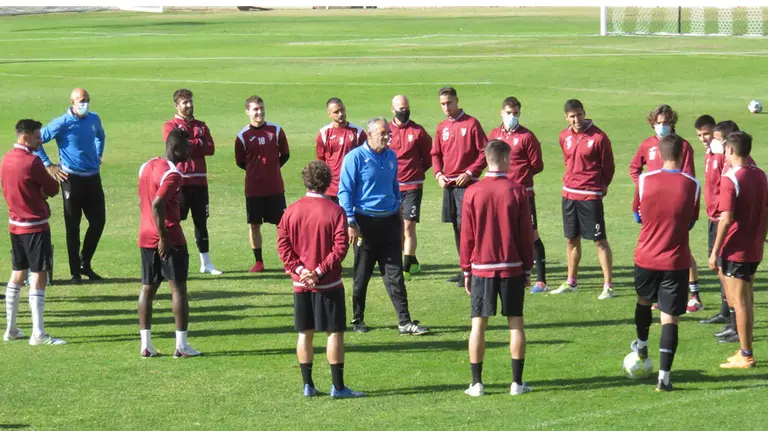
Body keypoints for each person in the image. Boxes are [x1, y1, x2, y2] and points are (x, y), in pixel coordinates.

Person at [277, 160, 364, 399]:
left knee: (305, 333)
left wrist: (300, 270)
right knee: (334, 333)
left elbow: (283, 247)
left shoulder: (291, 211)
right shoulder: (336, 212)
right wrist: (319, 271)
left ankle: (308, 385)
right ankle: (338, 387)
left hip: (301, 284)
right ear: (327, 183)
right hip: (329, 283)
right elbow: (339, 248)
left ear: (306, 181)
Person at [338, 117, 429, 335]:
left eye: (388, 133)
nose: (387, 137)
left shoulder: (391, 156)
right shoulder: (355, 158)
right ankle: (357, 318)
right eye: (382, 133)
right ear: (369, 136)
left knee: (395, 274)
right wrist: (350, 221)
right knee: (362, 274)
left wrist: (398, 209)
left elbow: (394, 185)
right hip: (365, 224)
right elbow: (345, 192)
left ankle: (404, 321)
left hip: (389, 222)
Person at [461, 139, 534, 397]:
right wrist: (527, 268)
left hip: (481, 267)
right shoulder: (517, 190)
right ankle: (516, 383)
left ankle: (477, 383)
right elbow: (526, 235)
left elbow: (466, 236)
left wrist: (466, 270)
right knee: (516, 324)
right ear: (505, 160)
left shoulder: (472, 192)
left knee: (478, 326)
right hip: (511, 267)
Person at [629, 134, 700, 392]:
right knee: (670, 319)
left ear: (658, 153)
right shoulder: (692, 184)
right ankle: (664, 379)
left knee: (643, 302)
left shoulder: (645, 180)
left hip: (645, 256)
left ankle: (642, 344)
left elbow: (637, 215)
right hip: (675, 260)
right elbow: (692, 221)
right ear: (682, 154)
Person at [628, 104, 701, 312]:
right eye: (659, 123)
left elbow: (688, 178)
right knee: (659, 247)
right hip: (653, 205)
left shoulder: (683, 146)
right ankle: (661, 296)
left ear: (672, 123)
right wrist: (644, 191)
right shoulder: (647, 145)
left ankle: (694, 294)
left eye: (666, 123)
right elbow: (635, 169)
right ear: (653, 123)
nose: (662, 126)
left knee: (680, 249)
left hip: (675, 204)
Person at [137, 128, 200, 359]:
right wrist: (163, 237)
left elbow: (143, 201)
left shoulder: (145, 166)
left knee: (147, 288)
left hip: (144, 235)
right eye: (186, 147)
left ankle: (146, 345)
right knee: (179, 289)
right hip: (169, 238)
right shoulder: (173, 174)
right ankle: (181, 346)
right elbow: (157, 204)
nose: (190, 150)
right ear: (175, 149)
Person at [2, 119, 65, 345]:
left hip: (15, 223)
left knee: (17, 273)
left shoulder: (6, 159)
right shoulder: (32, 162)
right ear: (25, 137)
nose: (40, 141)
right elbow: (52, 188)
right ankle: (38, 333)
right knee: (39, 275)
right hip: (35, 225)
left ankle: (11, 329)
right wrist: (40, 190)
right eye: (37, 137)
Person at [708, 131, 766, 369]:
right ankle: (744, 347)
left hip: (736, 249)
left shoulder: (730, 178)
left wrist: (715, 250)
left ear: (730, 150)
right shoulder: (761, 175)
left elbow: (726, 218)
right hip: (754, 247)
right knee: (747, 298)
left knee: (739, 301)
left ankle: (746, 354)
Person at [36, 87, 105, 284]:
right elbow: (37, 141)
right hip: (71, 180)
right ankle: (75, 272)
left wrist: (98, 155)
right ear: (72, 102)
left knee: (98, 221)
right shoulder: (62, 123)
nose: (85, 103)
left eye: (87, 100)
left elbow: (101, 136)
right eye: (81, 100)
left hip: (93, 177)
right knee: (73, 227)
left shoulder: (94, 119)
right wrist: (49, 165)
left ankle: (85, 263)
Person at [552, 99, 615, 299]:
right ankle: (572, 281)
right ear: (566, 117)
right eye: (572, 116)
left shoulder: (599, 137)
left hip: (590, 194)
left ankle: (608, 285)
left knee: (599, 240)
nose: (577, 119)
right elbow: (567, 160)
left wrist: (601, 186)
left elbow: (608, 166)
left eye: (579, 115)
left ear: (584, 113)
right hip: (569, 193)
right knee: (571, 239)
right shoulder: (564, 136)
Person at [701, 121, 754, 344]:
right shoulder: (754, 172)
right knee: (736, 286)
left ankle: (741, 339)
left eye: (717, 138)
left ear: (730, 143)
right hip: (739, 235)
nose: (713, 142)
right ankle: (730, 320)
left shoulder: (736, 172)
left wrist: (715, 251)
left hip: (734, 236)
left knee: (739, 291)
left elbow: (730, 214)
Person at [487, 96, 547, 293]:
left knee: (531, 233)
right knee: (504, 231)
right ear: (501, 113)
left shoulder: (527, 137)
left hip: (523, 195)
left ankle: (541, 279)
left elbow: (537, 165)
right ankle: (509, 269)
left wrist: (520, 179)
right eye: (509, 113)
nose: (512, 117)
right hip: (500, 195)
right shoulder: (494, 134)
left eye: (516, 113)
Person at [431, 87, 488, 287]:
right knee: (457, 227)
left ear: (457, 101)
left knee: (468, 227)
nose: (446, 107)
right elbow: (435, 154)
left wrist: (470, 173)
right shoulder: (442, 127)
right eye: (442, 104)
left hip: (467, 185)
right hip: (449, 185)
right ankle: (464, 267)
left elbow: (484, 152)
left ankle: (474, 268)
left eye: (449, 103)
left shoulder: (471, 124)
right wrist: (438, 174)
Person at [162, 88, 221, 276]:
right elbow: (175, 146)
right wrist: (198, 143)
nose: (189, 105)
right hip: (180, 182)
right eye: (185, 102)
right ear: (176, 105)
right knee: (174, 222)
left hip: (200, 182)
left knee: (201, 223)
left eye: (190, 101)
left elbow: (210, 148)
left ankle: (206, 263)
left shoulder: (201, 125)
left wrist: (191, 143)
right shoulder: (170, 125)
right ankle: (168, 261)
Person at [235, 95, 290, 273]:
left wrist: (271, 169)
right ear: (247, 112)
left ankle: (287, 260)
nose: (259, 112)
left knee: (282, 225)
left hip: (275, 187)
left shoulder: (276, 131)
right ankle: (259, 262)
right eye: (255, 109)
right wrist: (256, 172)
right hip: (254, 189)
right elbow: (240, 161)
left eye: (261, 108)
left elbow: (285, 154)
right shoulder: (242, 136)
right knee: (254, 224)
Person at [388, 95, 432, 279]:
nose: (404, 112)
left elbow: (429, 157)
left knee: (408, 227)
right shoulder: (386, 130)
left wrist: (417, 172)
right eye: (400, 109)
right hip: (391, 187)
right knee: (397, 228)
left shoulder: (418, 131)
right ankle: (411, 260)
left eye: (406, 108)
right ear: (393, 109)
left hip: (412, 186)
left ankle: (404, 268)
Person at [696, 115, 733, 326]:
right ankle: (724, 310)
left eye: (707, 134)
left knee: (724, 266)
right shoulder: (710, 153)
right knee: (719, 267)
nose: (703, 138)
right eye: (700, 135)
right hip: (713, 216)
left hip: (722, 217)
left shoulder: (721, 156)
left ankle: (730, 314)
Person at [315, 98, 366, 203]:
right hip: (331, 189)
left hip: (352, 186)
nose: (341, 114)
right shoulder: (324, 133)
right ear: (329, 114)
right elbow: (320, 161)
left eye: (342, 110)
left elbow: (366, 158)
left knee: (350, 218)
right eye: (336, 112)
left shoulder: (358, 132)